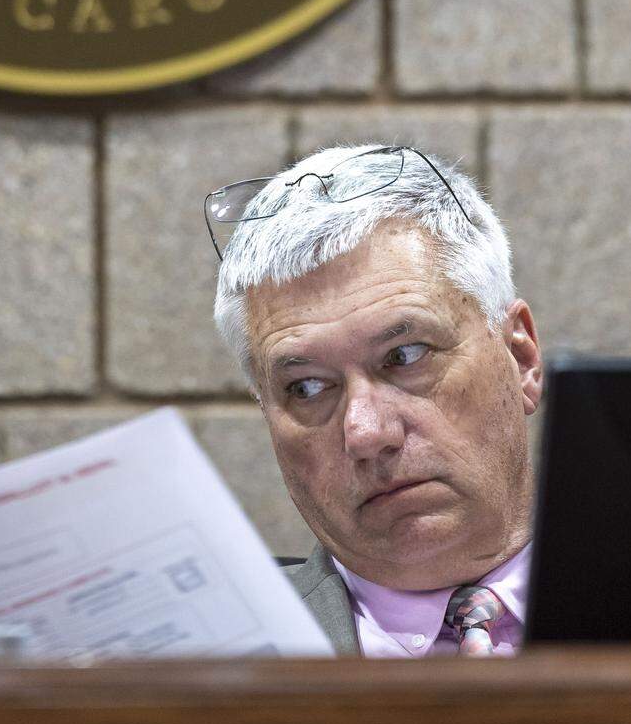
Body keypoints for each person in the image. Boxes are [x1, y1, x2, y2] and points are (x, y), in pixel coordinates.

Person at [207, 144, 543, 657]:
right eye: (308, 388)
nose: (365, 433)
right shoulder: (202, 665)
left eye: (405, 355)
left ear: (520, 358)